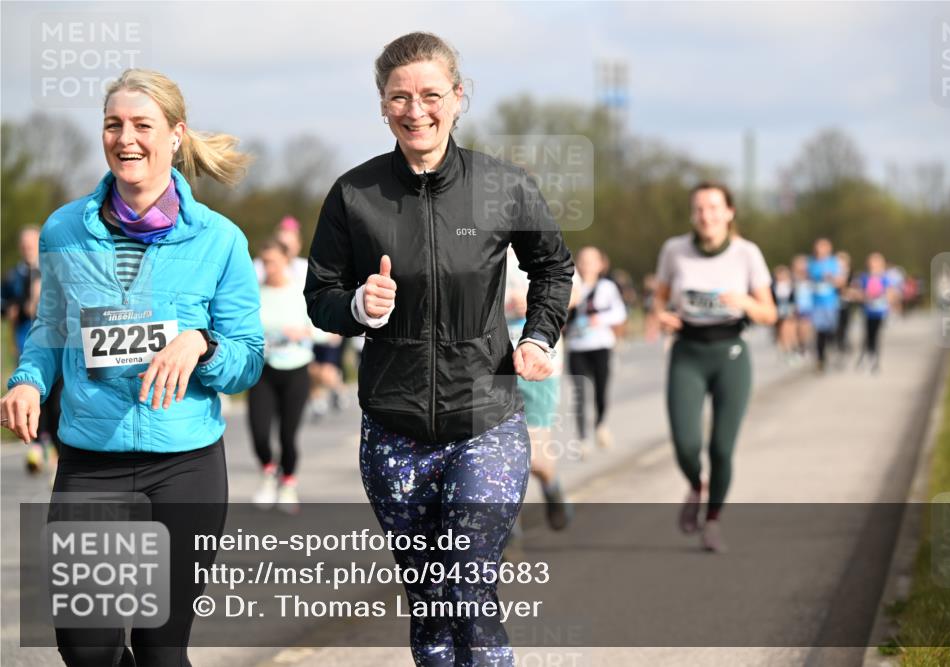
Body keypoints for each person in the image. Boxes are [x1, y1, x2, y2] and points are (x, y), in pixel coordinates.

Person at [303, 32, 573, 666]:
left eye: (430, 94)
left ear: (458, 97)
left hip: (487, 417)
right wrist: (357, 307)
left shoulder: (502, 185)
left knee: (469, 588)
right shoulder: (353, 194)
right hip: (394, 430)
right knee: (428, 607)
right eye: (400, 97)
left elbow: (552, 268)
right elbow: (320, 295)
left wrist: (537, 336)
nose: (415, 109)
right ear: (382, 104)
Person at [0, 68, 263, 667]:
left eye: (143, 125)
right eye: (114, 125)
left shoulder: (220, 240)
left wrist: (200, 344)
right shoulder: (64, 230)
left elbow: (247, 358)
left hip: (186, 467)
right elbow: (49, 330)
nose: (127, 138)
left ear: (174, 136)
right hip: (91, 463)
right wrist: (27, 380)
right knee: (85, 649)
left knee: (160, 650)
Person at [652, 182, 776, 553]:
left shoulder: (746, 254)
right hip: (687, 352)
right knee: (686, 445)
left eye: (714, 207)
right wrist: (662, 316)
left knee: (722, 448)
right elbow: (658, 299)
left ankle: (713, 521)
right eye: (699, 209)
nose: (706, 215)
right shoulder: (674, 250)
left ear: (729, 212)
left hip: (731, 354)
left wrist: (745, 303)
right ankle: (696, 484)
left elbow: (769, 314)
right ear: (693, 214)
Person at [505, 246, 577, 531]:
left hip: (537, 366)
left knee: (534, 456)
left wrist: (533, 303)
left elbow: (573, 287)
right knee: (496, 455)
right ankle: (508, 536)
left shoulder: (537, 239)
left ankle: (551, 483)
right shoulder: (471, 242)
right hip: (489, 366)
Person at [250, 237, 324, 513]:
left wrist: (303, 332)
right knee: (259, 433)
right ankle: (269, 473)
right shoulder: (254, 293)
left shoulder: (299, 293)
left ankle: (288, 484)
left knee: (287, 436)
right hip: (263, 371)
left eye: (273, 262)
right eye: (264, 262)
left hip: (296, 369)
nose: (268, 267)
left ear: (286, 262)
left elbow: (324, 332)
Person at [2, 226, 62, 474]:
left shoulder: (54, 271)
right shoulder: (13, 275)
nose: (28, 249)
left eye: (32, 244)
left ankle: (56, 454)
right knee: (33, 396)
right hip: (26, 343)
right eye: (24, 245)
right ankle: (37, 446)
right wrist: (12, 309)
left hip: (55, 344)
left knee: (56, 402)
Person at [565, 246, 628, 451]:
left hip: (601, 345)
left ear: (601, 264)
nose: (586, 265)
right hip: (576, 346)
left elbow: (620, 313)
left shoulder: (607, 287)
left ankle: (601, 424)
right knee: (580, 393)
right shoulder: (570, 286)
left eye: (592, 260)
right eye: (582, 260)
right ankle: (583, 438)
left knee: (601, 390)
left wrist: (599, 318)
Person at [852, 252, 897, 374]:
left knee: (876, 335)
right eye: (872, 262)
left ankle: (875, 360)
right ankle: (865, 357)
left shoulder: (885, 278)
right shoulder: (864, 277)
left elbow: (891, 293)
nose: (874, 265)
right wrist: (864, 296)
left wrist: (887, 300)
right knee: (867, 334)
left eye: (877, 262)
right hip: (867, 310)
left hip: (880, 311)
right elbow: (857, 292)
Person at [808, 238, 844, 372]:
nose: (820, 250)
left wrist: (832, 278)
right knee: (819, 332)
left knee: (831, 330)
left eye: (822, 247)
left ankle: (833, 352)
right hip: (816, 303)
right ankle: (820, 359)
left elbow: (840, 282)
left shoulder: (834, 262)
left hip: (830, 302)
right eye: (818, 247)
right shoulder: (812, 262)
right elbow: (809, 279)